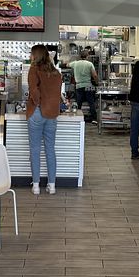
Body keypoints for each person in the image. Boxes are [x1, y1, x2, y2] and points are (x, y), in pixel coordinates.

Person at [27, 43, 63, 195]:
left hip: (37, 112)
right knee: (50, 149)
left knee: (35, 150)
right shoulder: (56, 73)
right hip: (52, 114)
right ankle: (52, 185)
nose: (30, 56)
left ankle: (36, 186)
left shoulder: (34, 69)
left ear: (36, 55)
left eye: (31, 54)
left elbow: (33, 90)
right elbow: (57, 94)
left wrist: (38, 103)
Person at [69, 49, 99, 123]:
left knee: (78, 103)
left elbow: (67, 65)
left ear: (80, 56)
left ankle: (77, 118)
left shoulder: (75, 63)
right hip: (89, 85)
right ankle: (94, 119)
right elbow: (95, 75)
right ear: (87, 56)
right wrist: (97, 83)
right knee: (91, 102)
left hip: (78, 86)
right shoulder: (90, 64)